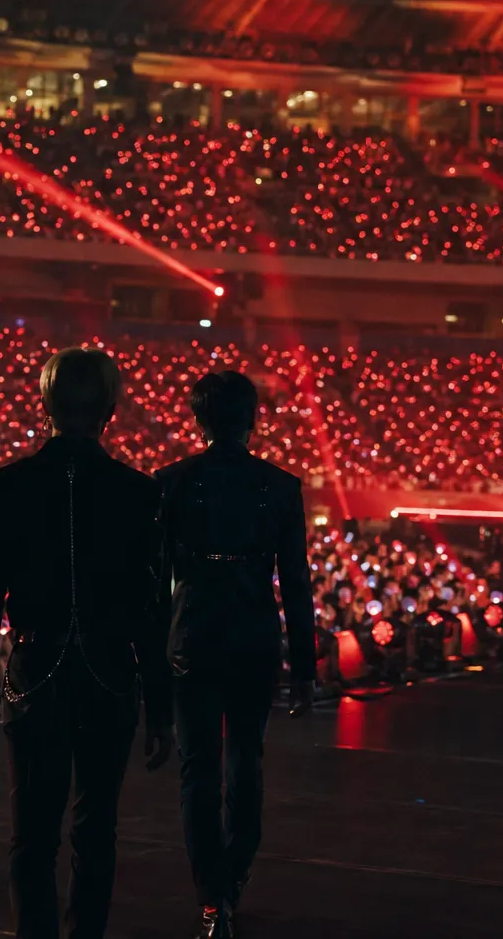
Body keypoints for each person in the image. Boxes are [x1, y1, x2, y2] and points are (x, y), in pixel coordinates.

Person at [0, 347, 171, 939]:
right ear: (111, 408)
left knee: (32, 831)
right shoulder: (138, 493)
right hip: (110, 672)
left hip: (35, 670)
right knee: (95, 831)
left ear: (45, 403)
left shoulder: (5, 488)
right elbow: (150, 610)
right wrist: (161, 703)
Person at [155, 371, 316, 939]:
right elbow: (294, 583)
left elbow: (154, 588)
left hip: (191, 639)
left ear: (198, 419)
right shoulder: (280, 486)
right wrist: (305, 668)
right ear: (253, 417)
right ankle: (233, 876)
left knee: (197, 771)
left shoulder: (170, 484)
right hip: (252, 639)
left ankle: (210, 894)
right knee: (245, 764)